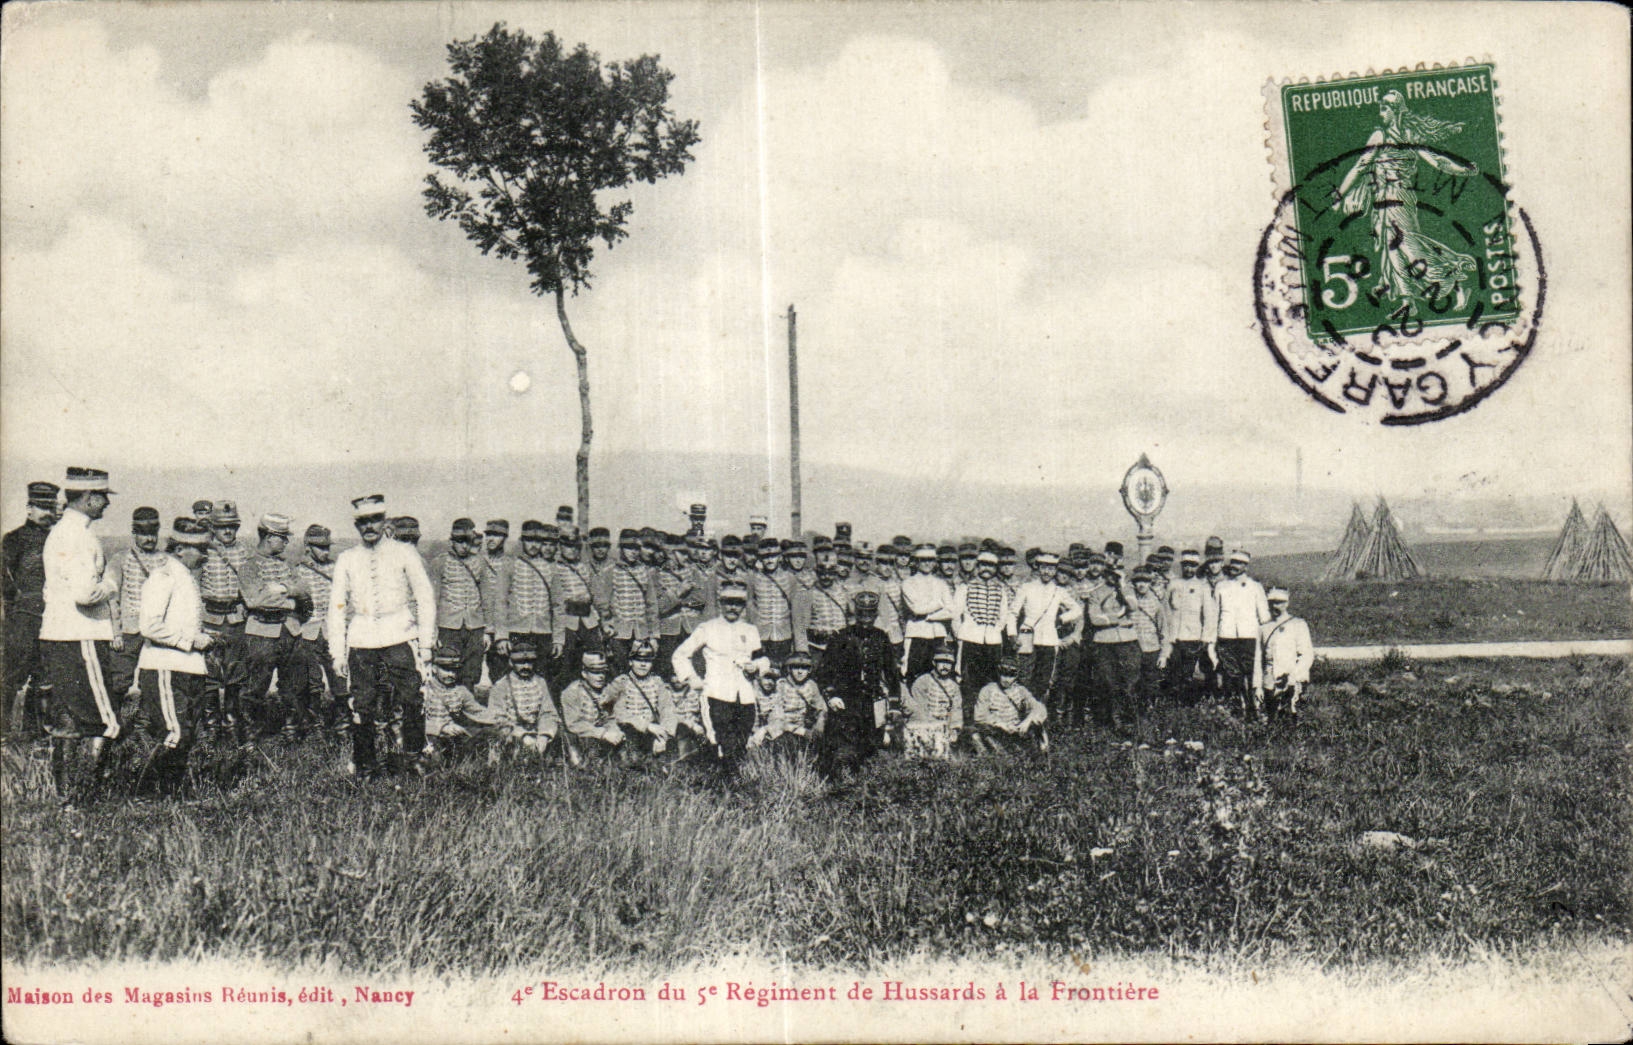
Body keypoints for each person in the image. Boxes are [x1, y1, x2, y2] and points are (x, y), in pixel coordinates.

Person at [1332, 90, 1479, 310]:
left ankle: (1454, 281)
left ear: (1397, 110)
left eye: (1385, 108)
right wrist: (1340, 193)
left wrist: (1463, 170)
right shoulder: (1379, 136)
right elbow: (1360, 166)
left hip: (1401, 198)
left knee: (1410, 248)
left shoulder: (1409, 136)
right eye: (1381, 107)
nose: (1381, 112)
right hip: (1382, 199)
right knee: (1392, 250)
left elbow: (1437, 161)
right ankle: (1407, 300)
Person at [328, 494, 437, 778]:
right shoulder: (347, 559)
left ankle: (413, 758)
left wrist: (425, 644)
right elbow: (337, 607)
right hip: (362, 639)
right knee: (362, 704)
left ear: (385, 521)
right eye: (363, 522)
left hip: (399, 633)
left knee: (413, 697)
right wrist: (338, 652)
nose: (369, 527)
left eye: (374, 520)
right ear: (356, 526)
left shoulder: (404, 553)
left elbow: (425, 598)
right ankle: (365, 764)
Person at [38, 467, 121, 804]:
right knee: (104, 720)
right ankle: (87, 795)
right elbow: (86, 594)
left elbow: (48, 591)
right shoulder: (79, 536)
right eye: (102, 497)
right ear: (88, 498)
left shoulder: (59, 532)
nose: (105, 504)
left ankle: (68, 800)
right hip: (81, 636)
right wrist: (113, 582)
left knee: (68, 719)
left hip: (58, 635)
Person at [133, 517, 215, 794]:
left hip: (189, 668)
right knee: (175, 733)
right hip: (164, 667)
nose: (205, 554)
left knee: (187, 734)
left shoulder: (187, 579)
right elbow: (149, 626)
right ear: (179, 548)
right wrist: (191, 641)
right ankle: (144, 792)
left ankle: (169, 795)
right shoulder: (163, 576)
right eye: (200, 548)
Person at [671, 579, 766, 782]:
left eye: (738, 603)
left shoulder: (750, 630)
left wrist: (756, 666)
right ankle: (723, 786)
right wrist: (692, 679)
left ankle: (731, 781)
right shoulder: (708, 628)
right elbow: (680, 655)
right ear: (721, 604)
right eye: (728, 602)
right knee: (722, 742)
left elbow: (763, 659)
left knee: (742, 740)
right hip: (717, 693)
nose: (733, 607)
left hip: (745, 695)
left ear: (743, 605)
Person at [815, 591, 896, 778]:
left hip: (873, 702)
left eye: (870, 615)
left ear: (875, 616)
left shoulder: (881, 637)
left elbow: (891, 674)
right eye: (861, 614)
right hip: (846, 702)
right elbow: (824, 672)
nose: (865, 620)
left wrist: (893, 705)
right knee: (843, 752)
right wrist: (831, 696)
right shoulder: (841, 637)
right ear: (854, 615)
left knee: (871, 750)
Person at [239, 512, 305, 739]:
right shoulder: (249, 566)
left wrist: (278, 590)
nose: (286, 542)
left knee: (293, 686)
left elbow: (306, 594)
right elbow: (256, 601)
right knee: (255, 686)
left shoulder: (288, 565)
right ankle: (250, 733)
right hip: (261, 633)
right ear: (268, 537)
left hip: (290, 631)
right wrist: (291, 596)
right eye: (282, 537)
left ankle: (291, 731)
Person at [3, 480, 58, 737]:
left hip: (52, 618)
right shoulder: (14, 539)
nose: (48, 513)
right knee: (12, 676)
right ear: (29, 509)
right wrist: (17, 608)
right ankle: (3, 733)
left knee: (45, 677)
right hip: (23, 619)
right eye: (42, 507)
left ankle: (34, 734)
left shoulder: (58, 539)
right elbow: (5, 580)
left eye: (51, 507)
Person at [1007, 552, 1083, 717]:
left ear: (1055, 570)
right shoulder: (1027, 588)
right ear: (1038, 568)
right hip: (1027, 638)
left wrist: (1061, 619)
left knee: (1043, 680)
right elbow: (1013, 612)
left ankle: (1037, 716)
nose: (1047, 572)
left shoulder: (1058, 591)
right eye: (1044, 568)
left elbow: (1077, 609)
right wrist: (1012, 635)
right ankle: (1020, 713)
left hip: (1049, 639)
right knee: (1024, 677)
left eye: (1051, 569)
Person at [199, 500, 250, 741]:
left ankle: (232, 721)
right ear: (213, 528)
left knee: (235, 672)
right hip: (210, 617)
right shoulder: (204, 551)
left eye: (232, 527)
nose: (227, 531)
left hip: (237, 618)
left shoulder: (244, 551)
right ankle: (211, 725)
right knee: (210, 673)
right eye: (221, 527)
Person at [107, 506, 166, 710]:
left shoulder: (166, 561)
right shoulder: (120, 559)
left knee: (152, 681)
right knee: (119, 681)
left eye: (152, 533)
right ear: (134, 534)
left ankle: (147, 727)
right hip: (129, 631)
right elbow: (112, 598)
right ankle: (111, 726)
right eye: (143, 534)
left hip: (157, 630)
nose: (149, 539)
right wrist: (115, 632)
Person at [292, 524, 348, 733]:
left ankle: (343, 723)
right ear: (308, 547)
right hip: (308, 632)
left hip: (332, 632)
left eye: (327, 547)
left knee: (339, 677)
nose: (325, 552)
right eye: (320, 547)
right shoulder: (298, 571)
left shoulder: (336, 569)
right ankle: (314, 724)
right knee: (312, 681)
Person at [952, 550, 1012, 730]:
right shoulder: (965, 588)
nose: (987, 569)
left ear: (995, 569)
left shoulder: (1000, 589)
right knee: (968, 683)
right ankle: (968, 725)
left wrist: (994, 632)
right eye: (983, 565)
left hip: (993, 642)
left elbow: (1003, 616)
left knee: (992, 682)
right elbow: (956, 616)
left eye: (991, 566)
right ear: (978, 566)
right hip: (970, 639)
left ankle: (988, 723)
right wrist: (961, 635)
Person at [430, 518, 490, 691]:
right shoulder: (439, 563)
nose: (464, 546)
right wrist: (433, 632)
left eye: (468, 541)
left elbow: (487, 598)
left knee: (472, 670)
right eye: (460, 541)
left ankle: (468, 708)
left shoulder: (480, 563)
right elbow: (433, 599)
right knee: (448, 667)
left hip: (475, 626)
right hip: (449, 626)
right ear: (451, 541)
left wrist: (488, 630)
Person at [495, 519, 555, 689]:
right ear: (522, 541)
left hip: (543, 633)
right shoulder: (509, 565)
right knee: (512, 677)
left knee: (543, 678)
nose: (534, 545)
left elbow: (558, 606)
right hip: (516, 631)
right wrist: (501, 635)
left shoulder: (552, 568)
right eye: (529, 540)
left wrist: (558, 639)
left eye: (538, 541)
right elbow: (500, 602)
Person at [1215, 549, 1272, 719]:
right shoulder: (1221, 586)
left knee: (1249, 672)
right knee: (1232, 673)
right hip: (1226, 635)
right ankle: (1237, 708)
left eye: (1239, 563)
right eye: (1233, 562)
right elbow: (1215, 613)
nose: (1234, 566)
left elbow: (1264, 616)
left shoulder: (1255, 587)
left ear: (1245, 566)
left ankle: (1251, 708)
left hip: (1248, 635)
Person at [423, 643, 506, 759]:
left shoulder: (460, 691)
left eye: (454, 670)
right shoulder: (424, 690)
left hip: (453, 737)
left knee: (492, 734)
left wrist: (500, 718)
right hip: (428, 737)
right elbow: (412, 722)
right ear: (434, 668)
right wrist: (440, 728)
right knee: (434, 758)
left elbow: (477, 711)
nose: (451, 674)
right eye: (446, 669)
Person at [1086, 558, 1140, 733]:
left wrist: (1123, 585)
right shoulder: (1096, 593)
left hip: (1127, 641)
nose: (1113, 577)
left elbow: (1133, 606)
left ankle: (1128, 721)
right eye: (1110, 573)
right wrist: (1120, 619)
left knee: (1128, 683)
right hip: (1104, 642)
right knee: (1108, 683)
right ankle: (1109, 722)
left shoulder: (1128, 590)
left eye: (1117, 573)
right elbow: (1095, 618)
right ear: (1105, 573)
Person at [1160, 549, 1217, 706]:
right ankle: (1174, 706)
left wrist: (1205, 639)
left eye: (1192, 566)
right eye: (1186, 565)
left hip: (1193, 639)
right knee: (1173, 673)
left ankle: (1188, 706)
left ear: (1197, 567)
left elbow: (1209, 615)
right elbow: (1165, 610)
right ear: (1181, 566)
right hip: (1174, 638)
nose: (1189, 569)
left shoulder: (1202, 587)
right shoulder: (1173, 584)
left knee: (1189, 674)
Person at [550, 525, 601, 693]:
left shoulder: (586, 567)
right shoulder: (554, 567)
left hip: (588, 621)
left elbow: (595, 594)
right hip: (567, 621)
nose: (571, 550)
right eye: (566, 546)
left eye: (575, 546)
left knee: (594, 661)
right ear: (560, 546)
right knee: (566, 667)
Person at [488, 642, 561, 757]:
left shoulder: (540, 682)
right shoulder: (501, 685)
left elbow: (548, 712)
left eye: (529, 662)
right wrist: (522, 736)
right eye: (520, 663)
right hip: (512, 736)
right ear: (511, 663)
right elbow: (497, 719)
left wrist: (544, 735)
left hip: (537, 734)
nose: (526, 667)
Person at [607, 639, 675, 763]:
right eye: (638, 660)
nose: (643, 665)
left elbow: (668, 710)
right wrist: (646, 726)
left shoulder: (657, 682)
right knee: (632, 759)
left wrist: (664, 737)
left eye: (647, 661)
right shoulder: (621, 682)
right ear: (631, 661)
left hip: (652, 733)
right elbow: (619, 713)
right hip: (628, 731)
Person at [604, 530, 657, 679]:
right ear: (621, 548)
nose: (633, 552)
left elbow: (651, 604)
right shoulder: (611, 571)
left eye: (636, 548)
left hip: (641, 631)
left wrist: (654, 634)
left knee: (641, 669)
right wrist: (607, 625)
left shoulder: (644, 571)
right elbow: (603, 604)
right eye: (628, 548)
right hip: (619, 632)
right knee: (619, 671)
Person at [972, 656, 1047, 755]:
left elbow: (1040, 708)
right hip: (996, 731)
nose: (1006, 679)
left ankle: (1035, 753)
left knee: (1037, 728)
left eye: (1011, 675)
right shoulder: (988, 690)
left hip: (1016, 731)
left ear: (1016, 676)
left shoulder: (1021, 691)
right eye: (1004, 674)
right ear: (999, 673)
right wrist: (1001, 724)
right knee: (976, 734)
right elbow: (979, 716)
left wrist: (1027, 721)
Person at [1259, 588, 1314, 720]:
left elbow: (1306, 655)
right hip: (1270, 678)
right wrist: (1257, 685)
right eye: (1272, 602)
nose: (1275, 606)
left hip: (1292, 678)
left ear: (1287, 603)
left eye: (1279, 602)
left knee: (1291, 714)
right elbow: (1258, 658)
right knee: (1271, 716)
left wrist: (1294, 676)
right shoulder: (1263, 628)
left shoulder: (1298, 624)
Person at [560, 650, 623, 762]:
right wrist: (603, 733)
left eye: (603, 672)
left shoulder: (608, 690)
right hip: (579, 740)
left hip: (601, 738)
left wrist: (614, 730)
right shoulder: (572, 692)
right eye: (595, 672)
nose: (600, 677)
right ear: (584, 673)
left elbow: (610, 717)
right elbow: (573, 724)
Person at [746, 538, 801, 665]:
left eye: (773, 556)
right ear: (760, 559)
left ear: (780, 557)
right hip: (761, 636)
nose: (769, 560)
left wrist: (797, 641)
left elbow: (796, 610)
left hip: (784, 635)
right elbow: (750, 604)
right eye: (765, 557)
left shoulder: (789, 578)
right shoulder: (753, 578)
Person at [903, 646, 962, 759]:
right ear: (934, 663)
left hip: (945, 727)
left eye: (948, 663)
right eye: (942, 662)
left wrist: (954, 729)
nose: (945, 666)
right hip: (924, 726)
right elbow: (919, 711)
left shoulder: (954, 686)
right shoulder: (922, 682)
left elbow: (956, 710)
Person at [1127, 568, 1170, 713]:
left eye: (1145, 581)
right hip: (1132, 648)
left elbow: (1163, 630)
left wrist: (1164, 654)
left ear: (1149, 583)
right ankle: (1133, 712)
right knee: (1132, 682)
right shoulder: (1129, 602)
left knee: (1150, 682)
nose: (1141, 585)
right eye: (1138, 581)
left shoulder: (1156, 603)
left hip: (1151, 648)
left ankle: (1150, 711)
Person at [481, 520, 512, 684]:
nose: (491, 539)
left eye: (496, 535)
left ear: (505, 538)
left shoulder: (512, 564)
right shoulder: (479, 562)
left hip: (504, 626)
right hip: (482, 624)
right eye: (488, 535)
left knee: (503, 670)